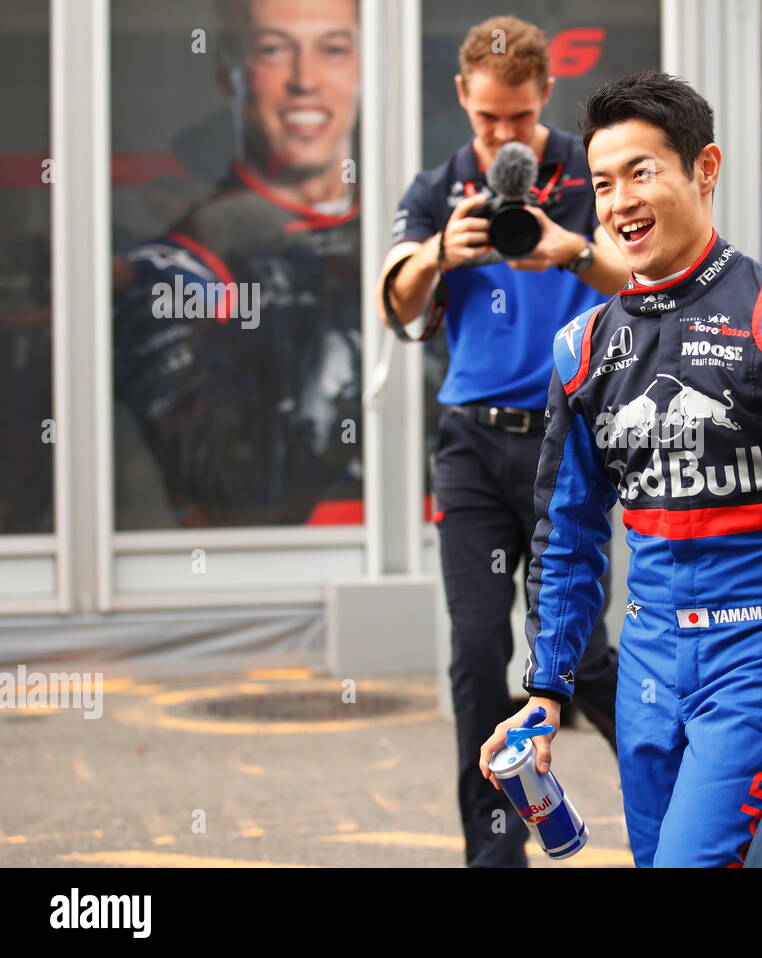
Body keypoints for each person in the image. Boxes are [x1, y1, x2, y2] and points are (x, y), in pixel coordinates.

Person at [478, 70, 762, 868]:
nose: (620, 203)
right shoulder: (580, 350)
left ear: (704, 168)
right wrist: (546, 688)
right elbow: (566, 535)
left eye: (643, 172)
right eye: (604, 183)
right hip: (645, 659)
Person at [377, 16, 627, 869]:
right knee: (479, 652)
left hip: (570, 447)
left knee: (582, 656)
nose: (503, 136)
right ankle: (494, 857)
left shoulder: (590, 173)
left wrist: (571, 250)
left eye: (518, 119)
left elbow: (651, 281)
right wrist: (442, 250)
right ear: (462, 99)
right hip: (473, 449)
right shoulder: (441, 184)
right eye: (488, 120)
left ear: (543, 97)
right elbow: (395, 303)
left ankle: (691, 805)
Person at [114, 0, 364, 527]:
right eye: (273, 49)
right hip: (262, 571)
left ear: (366, 66)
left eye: (334, 49)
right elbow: (233, 487)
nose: (305, 80)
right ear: (230, 71)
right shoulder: (179, 267)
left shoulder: (415, 233)